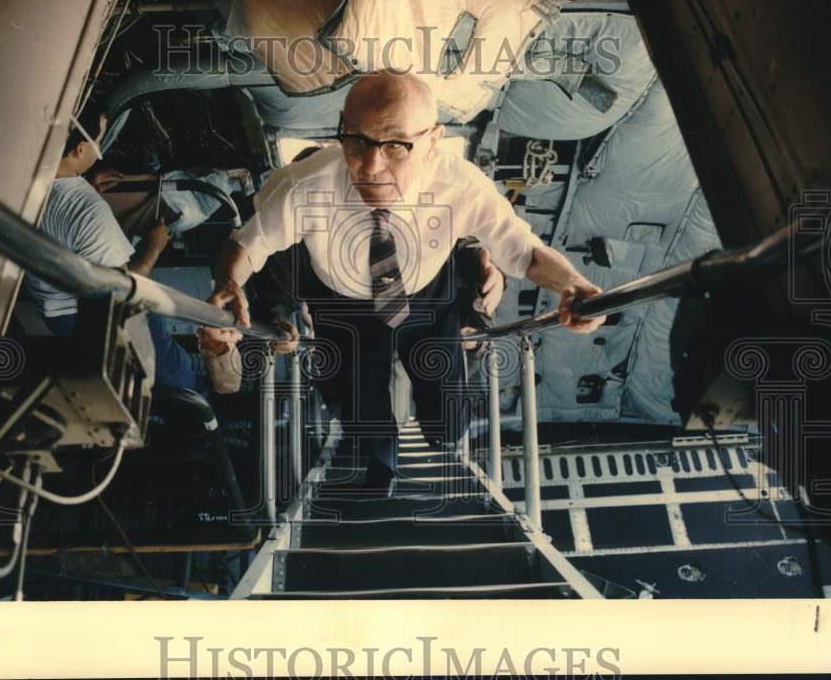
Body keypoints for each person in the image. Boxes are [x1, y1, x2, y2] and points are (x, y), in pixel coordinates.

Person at [209, 70, 604, 490]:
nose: (371, 166)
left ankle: (445, 438)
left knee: (448, 408)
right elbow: (248, 245)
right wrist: (231, 281)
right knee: (363, 410)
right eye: (357, 140)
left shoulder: (461, 187)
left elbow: (524, 252)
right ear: (342, 126)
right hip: (345, 311)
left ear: (432, 141)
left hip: (428, 302)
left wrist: (571, 282)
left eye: (396, 145)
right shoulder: (302, 186)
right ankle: (383, 466)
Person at [24, 112, 240, 396]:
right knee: (173, 375)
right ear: (78, 149)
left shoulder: (26, 179)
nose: (99, 151)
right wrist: (155, 244)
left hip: (55, 309)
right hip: (96, 318)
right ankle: (197, 405)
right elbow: (122, 290)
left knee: (121, 370)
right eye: (98, 142)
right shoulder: (86, 210)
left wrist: (84, 183)